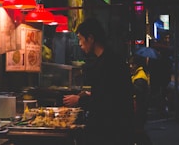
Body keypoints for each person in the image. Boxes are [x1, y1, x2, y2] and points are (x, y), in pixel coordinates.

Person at [64, 17, 134, 145]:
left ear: (90, 38)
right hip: (117, 127)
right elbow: (110, 92)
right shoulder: (110, 58)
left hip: (111, 130)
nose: (79, 43)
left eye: (80, 38)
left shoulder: (107, 63)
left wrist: (79, 100)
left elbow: (106, 101)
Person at [129, 55, 152, 145]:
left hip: (139, 108)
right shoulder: (137, 74)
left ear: (137, 65)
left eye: (133, 64)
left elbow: (138, 92)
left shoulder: (140, 77)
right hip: (139, 107)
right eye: (130, 64)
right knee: (138, 131)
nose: (131, 66)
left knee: (138, 131)